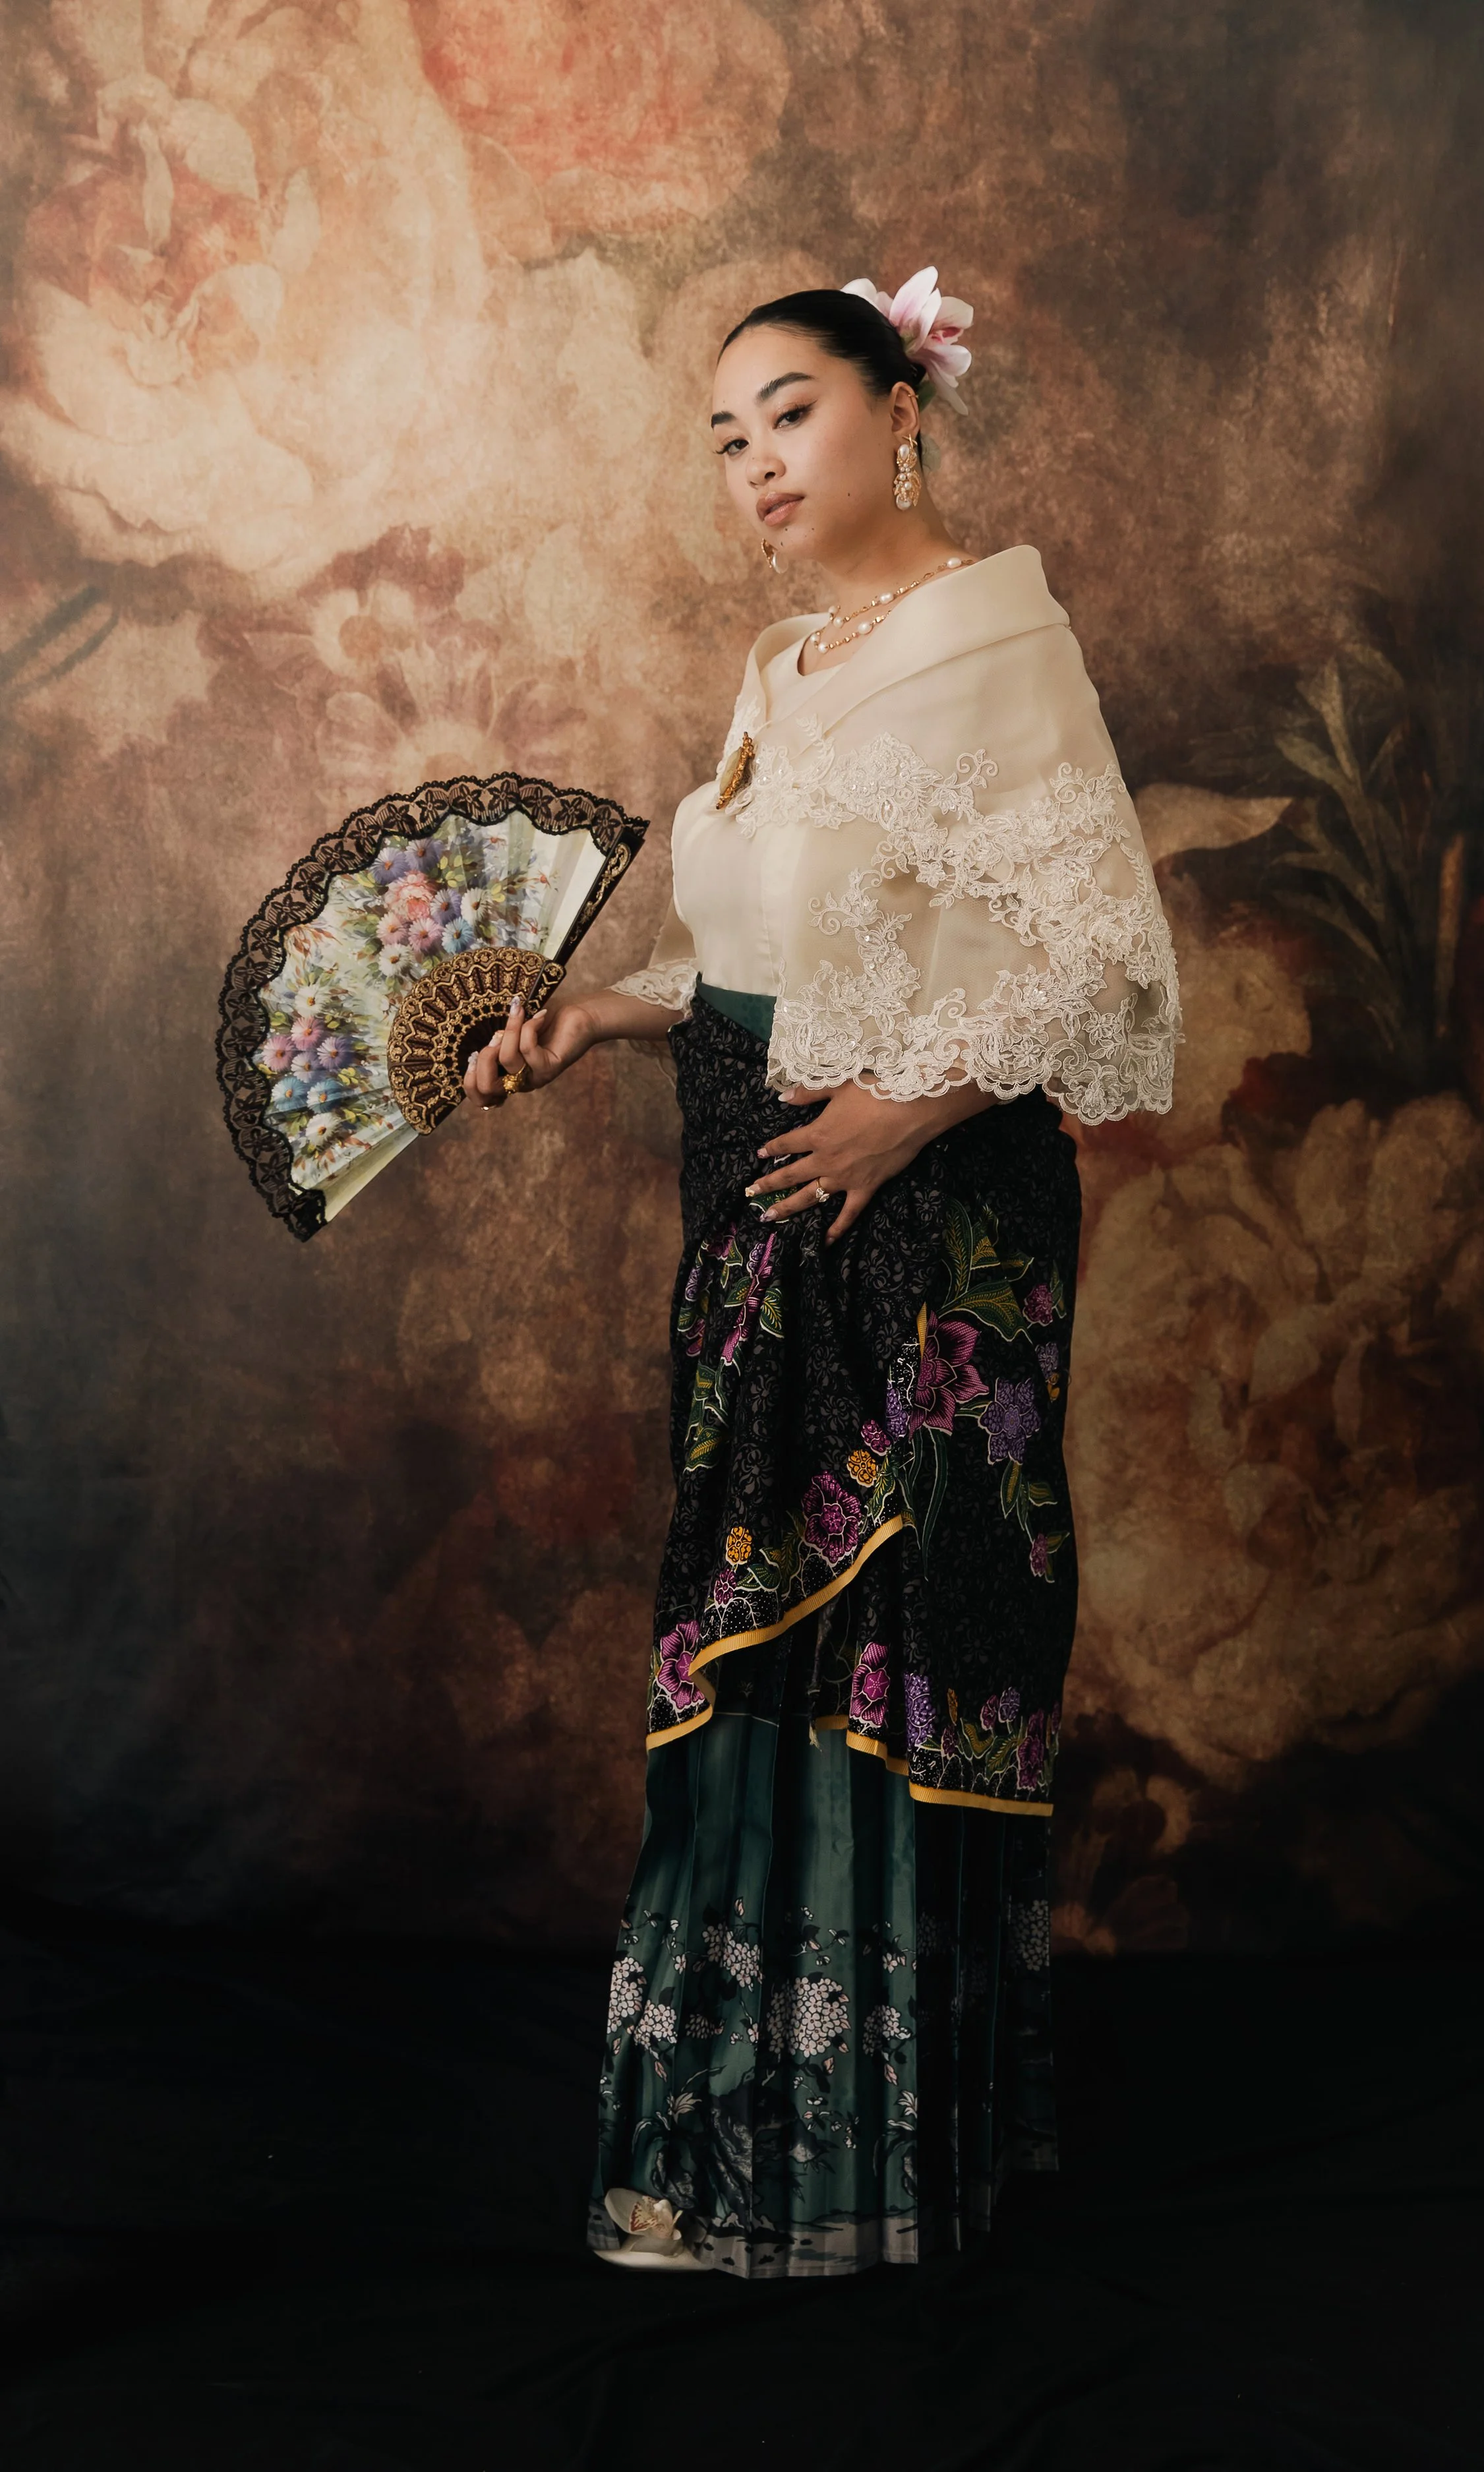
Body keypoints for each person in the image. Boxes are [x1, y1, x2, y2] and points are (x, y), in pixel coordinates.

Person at [462, 267, 1181, 2276]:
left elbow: (1102, 968)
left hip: (925, 1224)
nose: (752, 464)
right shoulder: (783, 668)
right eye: (723, 436)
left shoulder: (992, 647)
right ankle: (738, 2149)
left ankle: (884, 2160)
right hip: (765, 1205)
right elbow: (786, 951)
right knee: (751, 1654)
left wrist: (895, 1117)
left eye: (786, 412)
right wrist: (612, 1013)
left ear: (900, 411)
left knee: (887, 1656)